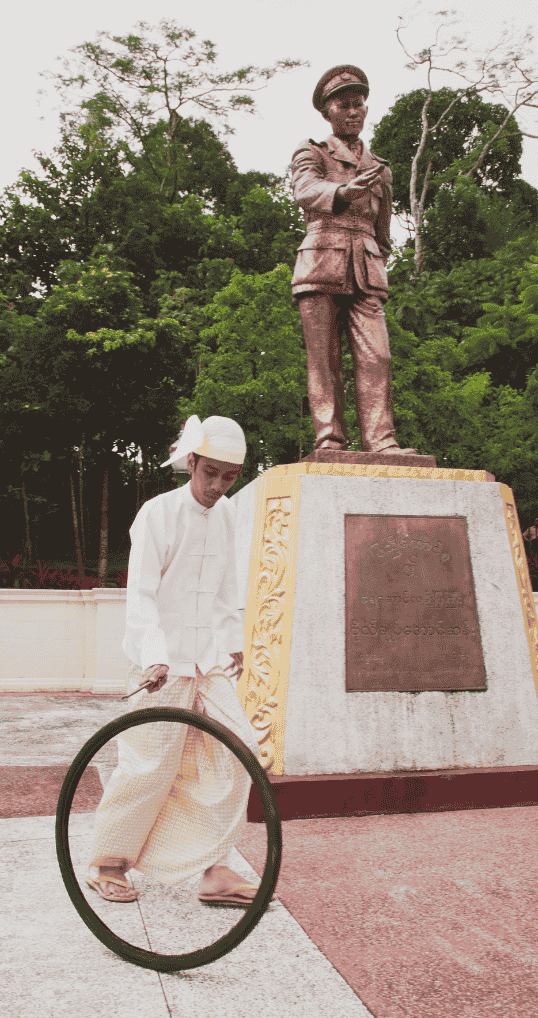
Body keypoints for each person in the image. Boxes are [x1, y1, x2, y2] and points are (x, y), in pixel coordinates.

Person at [85, 414, 261, 907]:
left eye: (230, 477)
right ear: (192, 463)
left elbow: (228, 592)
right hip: (160, 665)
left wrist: (233, 644)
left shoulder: (227, 516)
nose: (218, 486)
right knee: (149, 764)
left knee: (239, 749)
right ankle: (109, 864)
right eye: (211, 473)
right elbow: (140, 595)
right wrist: (154, 656)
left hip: (208, 663)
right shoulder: (157, 514)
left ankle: (215, 869)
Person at [290, 64, 417, 455]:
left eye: (359, 104)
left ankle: (382, 442)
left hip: (367, 265)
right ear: (327, 112)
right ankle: (330, 439)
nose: (354, 112)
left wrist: (383, 255)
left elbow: (383, 225)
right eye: (345, 105)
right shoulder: (312, 151)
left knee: (377, 356)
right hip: (321, 262)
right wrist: (343, 191)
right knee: (325, 359)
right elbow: (305, 189)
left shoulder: (380, 167)